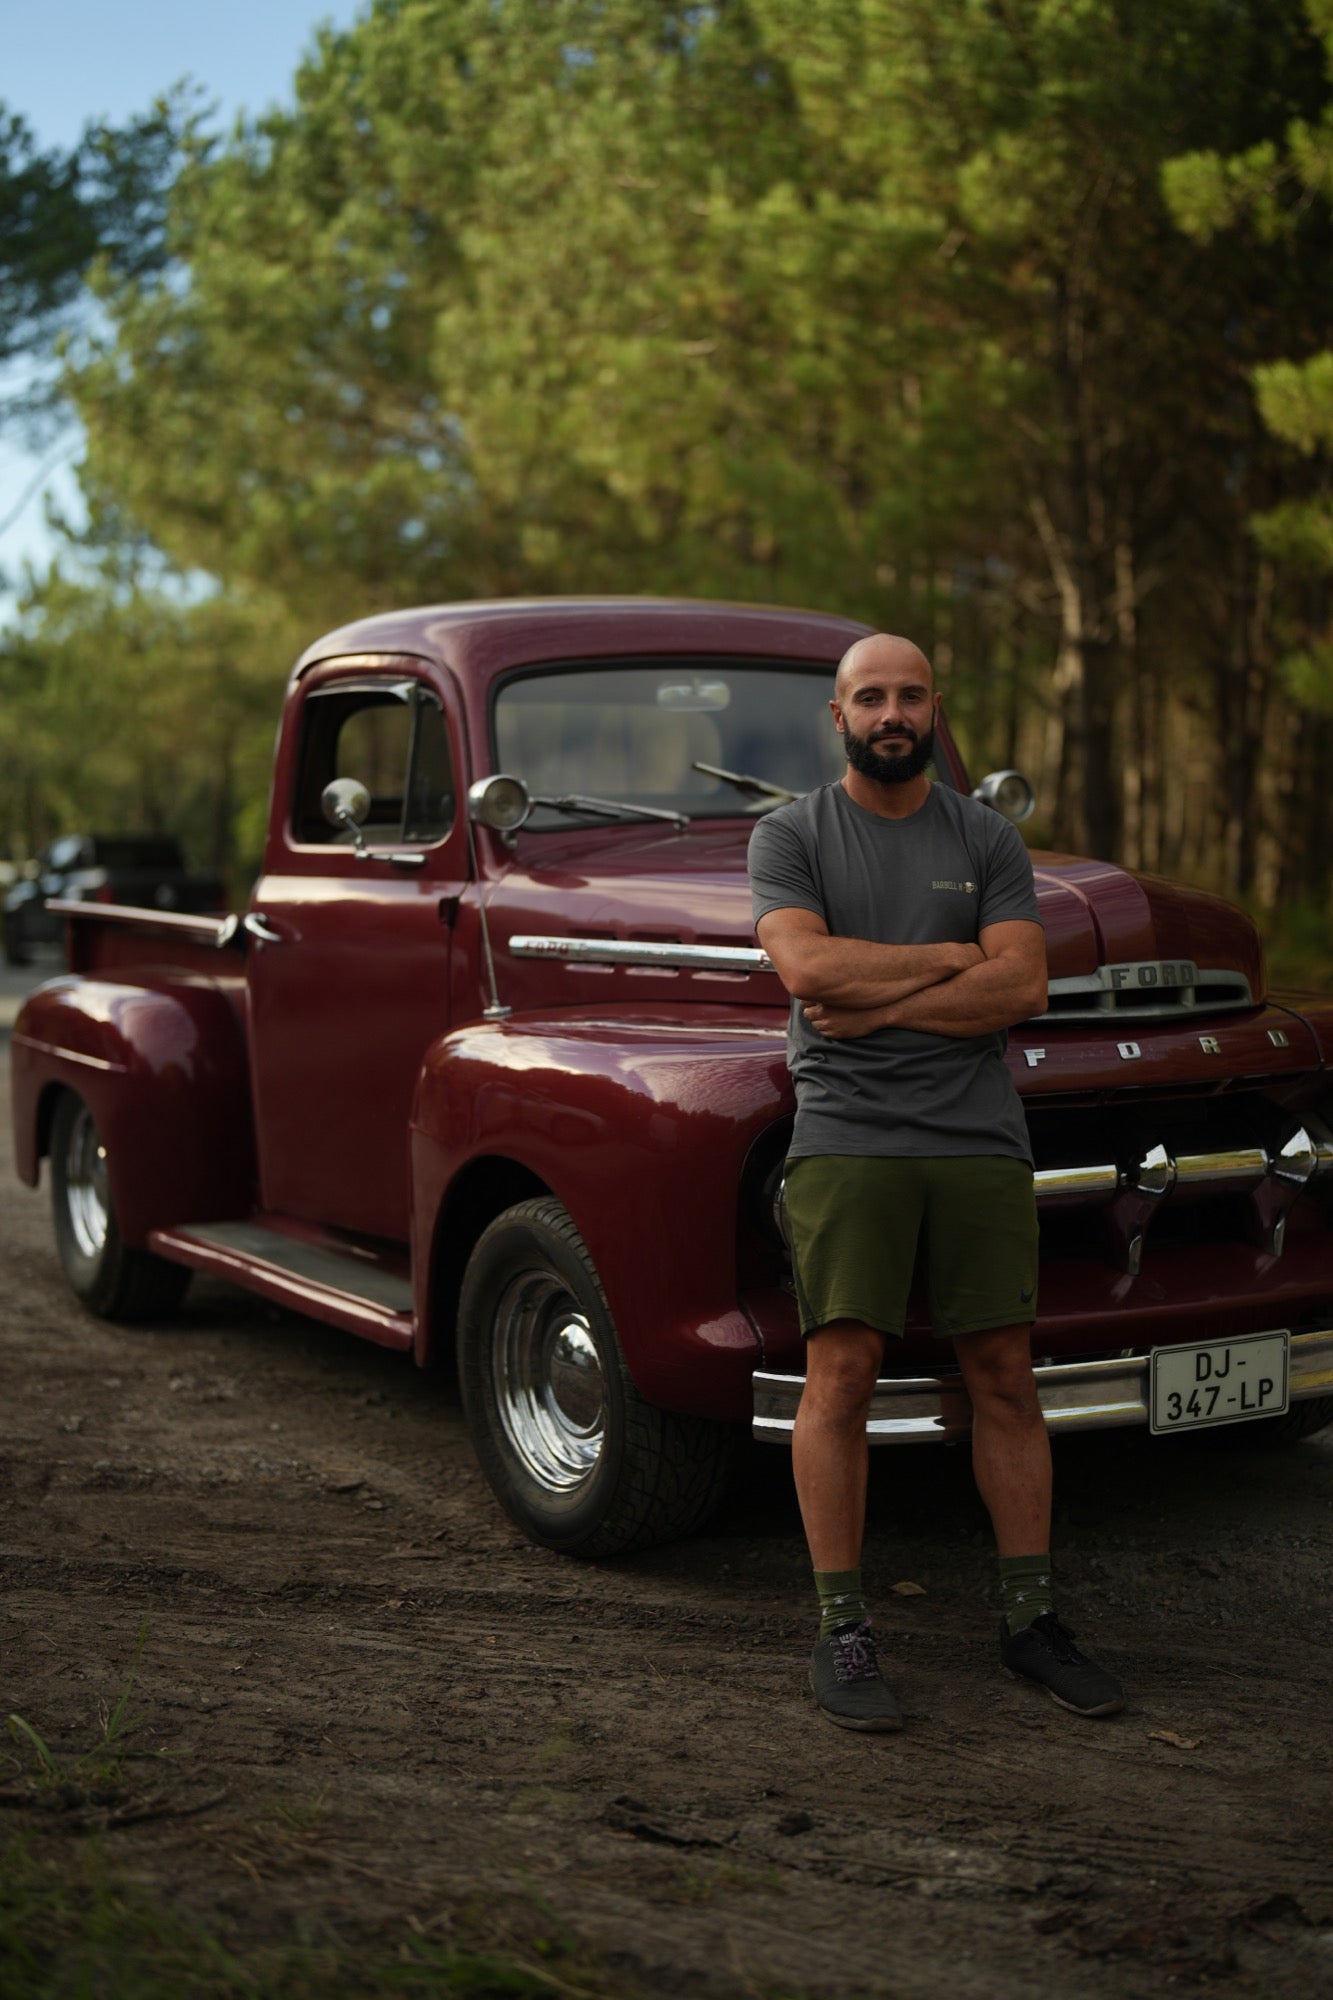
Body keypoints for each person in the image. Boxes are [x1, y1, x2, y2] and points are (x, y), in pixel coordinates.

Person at [747, 631, 1123, 1730]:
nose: (891, 712)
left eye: (910, 694)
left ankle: (1029, 1618)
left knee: (1005, 1372)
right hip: (849, 1134)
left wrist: (885, 996)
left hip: (974, 1135)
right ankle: (843, 1629)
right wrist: (952, 960)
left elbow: (1025, 986)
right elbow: (808, 970)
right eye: (871, 697)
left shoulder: (987, 835)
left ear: (935, 709)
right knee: (845, 1370)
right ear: (841, 717)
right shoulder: (791, 832)